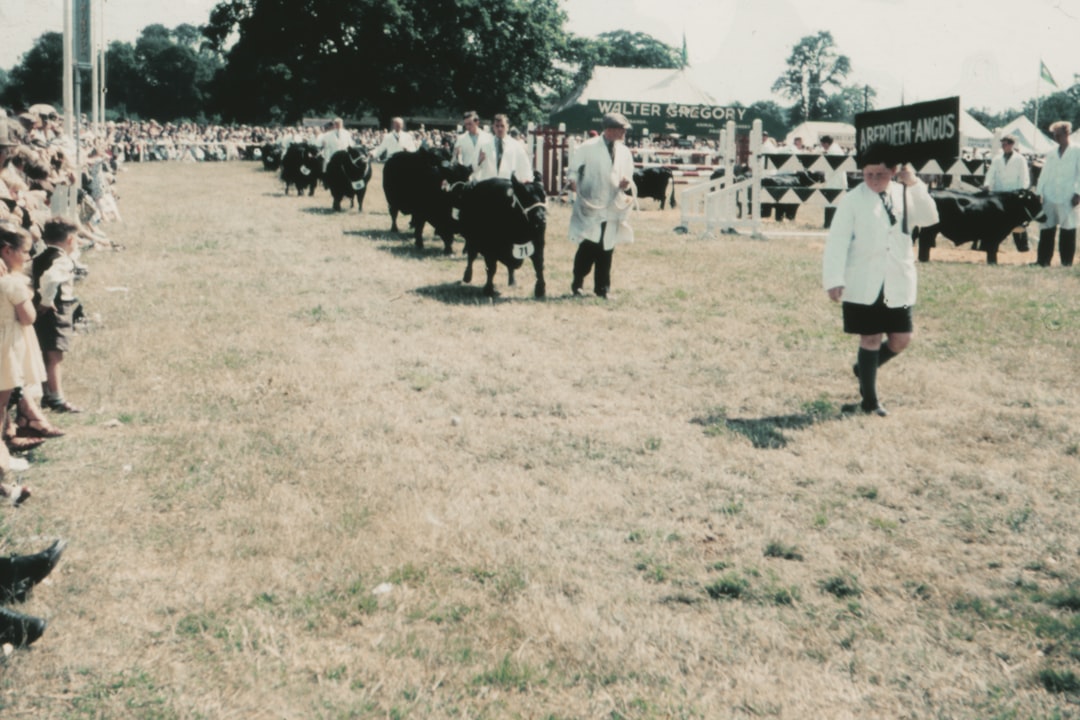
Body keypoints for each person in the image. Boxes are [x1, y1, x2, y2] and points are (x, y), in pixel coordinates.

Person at [822, 142, 939, 417]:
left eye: (881, 174)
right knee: (870, 338)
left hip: (897, 279)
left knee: (902, 339)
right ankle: (870, 402)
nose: (874, 180)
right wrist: (834, 278)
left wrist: (915, 184)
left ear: (894, 171)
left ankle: (864, 369)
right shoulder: (853, 199)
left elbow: (930, 217)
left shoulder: (904, 193)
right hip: (863, 279)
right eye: (868, 174)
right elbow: (837, 241)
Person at [567, 112, 637, 299]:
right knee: (589, 246)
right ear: (610, 130)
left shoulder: (624, 152)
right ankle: (578, 283)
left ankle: (602, 289)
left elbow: (628, 175)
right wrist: (573, 181)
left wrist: (626, 183)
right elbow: (573, 170)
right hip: (591, 203)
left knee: (607, 246)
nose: (624, 133)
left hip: (612, 205)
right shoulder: (588, 147)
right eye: (621, 129)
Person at [0, 222, 53, 452]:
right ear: (7, 251)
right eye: (24, 251)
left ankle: (13, 430)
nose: (29, 256)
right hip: (8, 347)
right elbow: (28, 318)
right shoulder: (13, 284)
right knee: (1, 400)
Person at [33, 218, 82, 414]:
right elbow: (51, 278)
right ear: (70, 239)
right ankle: (57, 398)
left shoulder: (39, 257)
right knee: (55, 356)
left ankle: (46, 393)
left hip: (40, 311)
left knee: (45, 352)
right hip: (57, 309)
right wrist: (46, 300)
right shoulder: (62, 260)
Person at [1034, 120, 1080, 267]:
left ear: (1067, 133)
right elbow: (1044, 174)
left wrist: (1078, 193)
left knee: (1068, 230)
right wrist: (1039, 192)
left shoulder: (1077, 151)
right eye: (1054, 135)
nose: (1056, 138)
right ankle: (1043, 261)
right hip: (1050, 195)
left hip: (1068, 196)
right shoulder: (1052, 152)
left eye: (1058, 135)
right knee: (1046, 229)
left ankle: (1066, 263)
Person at [983, 134, 1031, 252]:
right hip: (999, 194)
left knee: (1017, 222)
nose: (1003, 146)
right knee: (996, 221)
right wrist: (987, 184)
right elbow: (991, 173)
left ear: (1011, 144)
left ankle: (1023, 247)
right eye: (1002, 144)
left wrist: (1021, 192)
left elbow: (1024, 177)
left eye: (1005, 144)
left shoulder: (1020, 159)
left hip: (1014, 194)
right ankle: (990, 245)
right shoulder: (997, 158)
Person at [474, 114, 532, 181]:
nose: (499, 129)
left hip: (508, 186)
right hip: (489, 186)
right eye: (497, 126)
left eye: (502, 126)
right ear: (493, 127)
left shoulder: (516, 146)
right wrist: (478, 161)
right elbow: (474, 168)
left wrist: (527, 180)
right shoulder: (484, 145)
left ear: (507, 127)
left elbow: (525, 166)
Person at [453, 111, 490, 176]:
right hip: (467, 175)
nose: (467, 127)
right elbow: (456, 158)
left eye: (470, 124)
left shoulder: (488, 138)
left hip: (484, 175)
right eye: (466, 124)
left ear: (477, 123)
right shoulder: (460, 139)